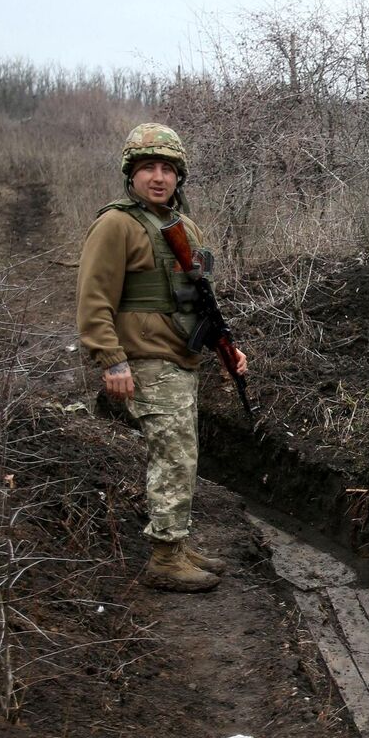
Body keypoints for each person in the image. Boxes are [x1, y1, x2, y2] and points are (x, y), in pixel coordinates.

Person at [77, 122, 248, 593]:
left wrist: (227, 349)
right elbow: (93, 298)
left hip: (180, 356)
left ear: (179, 176)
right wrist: (111, 360)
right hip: (147, 358)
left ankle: (176, 542)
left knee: (183, 454)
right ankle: (165, 557)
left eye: (167, 169)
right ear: (130, 175)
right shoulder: (116, 224)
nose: (158, 177)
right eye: (148, 168)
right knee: (172, 455)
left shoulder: (181, 225)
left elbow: (198, 299)